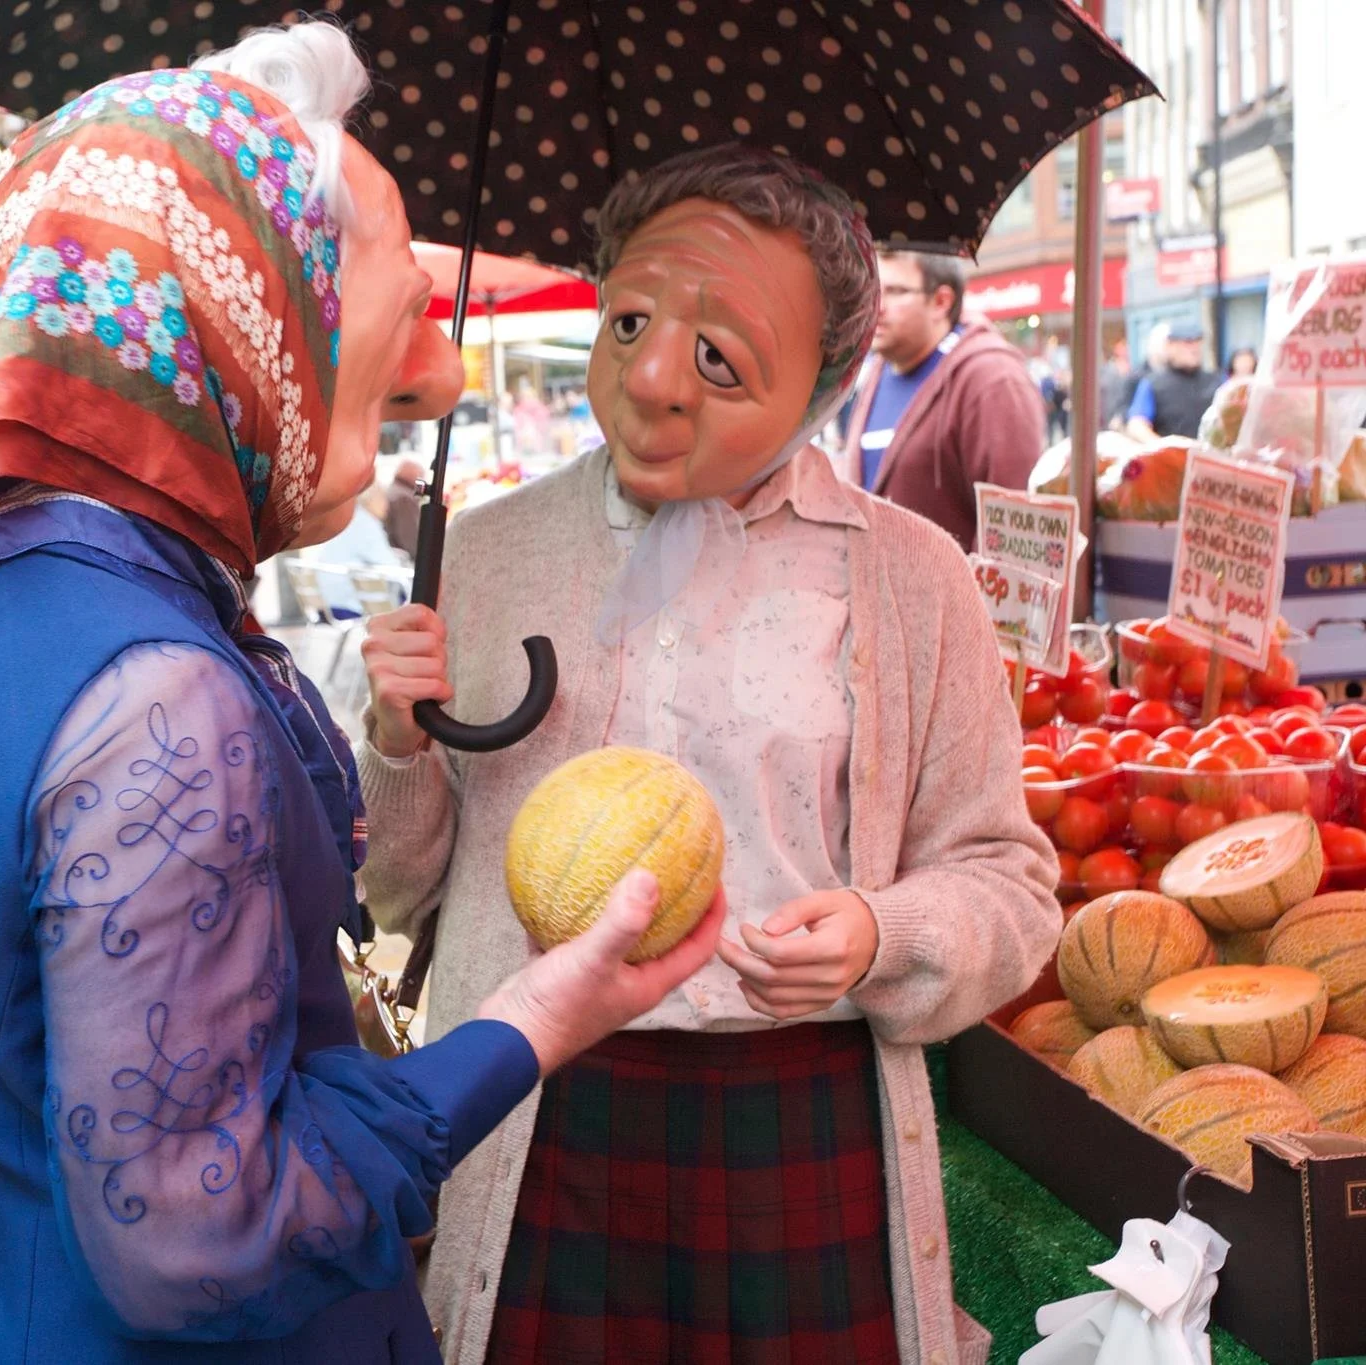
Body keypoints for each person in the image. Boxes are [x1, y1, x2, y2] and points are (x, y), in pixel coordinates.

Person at [0, 26, 725, 1363]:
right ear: (238, 322)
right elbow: (203, 1240)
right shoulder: (155, 701)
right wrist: (540, 1016)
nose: (434, 377)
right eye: (393, 319)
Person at [357, 147, 1060, 1365]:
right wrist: (394, 740)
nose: (650, 382)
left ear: (826, 381)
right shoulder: (483, 553)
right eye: (627, 323)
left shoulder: (910, 578)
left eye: (720, 358)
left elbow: (1007, 881)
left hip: (802, 1117)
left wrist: (880, 934)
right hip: (537, 1112)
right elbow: (395, 892)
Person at [840, 249, 1045, 551]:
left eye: (896, 292)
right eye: (874, 290)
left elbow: (1014, 534)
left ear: (941, 302)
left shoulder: (992, 379)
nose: (877, 306)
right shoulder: (876, 372)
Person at [1126, 322, 1221, 441]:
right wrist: (1163, 446)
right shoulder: (1153, 384)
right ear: (1170, 346)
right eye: (1187, 343)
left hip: (1210, 451)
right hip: (1173, 451)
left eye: (1198, 342)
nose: (1194, 349)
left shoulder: (1216, 381)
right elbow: (1137, 425)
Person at [382, 456, 426, 557]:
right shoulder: (404, 499)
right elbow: (410, 539)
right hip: (399, 559)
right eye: (421, 477)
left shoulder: (393, 491)